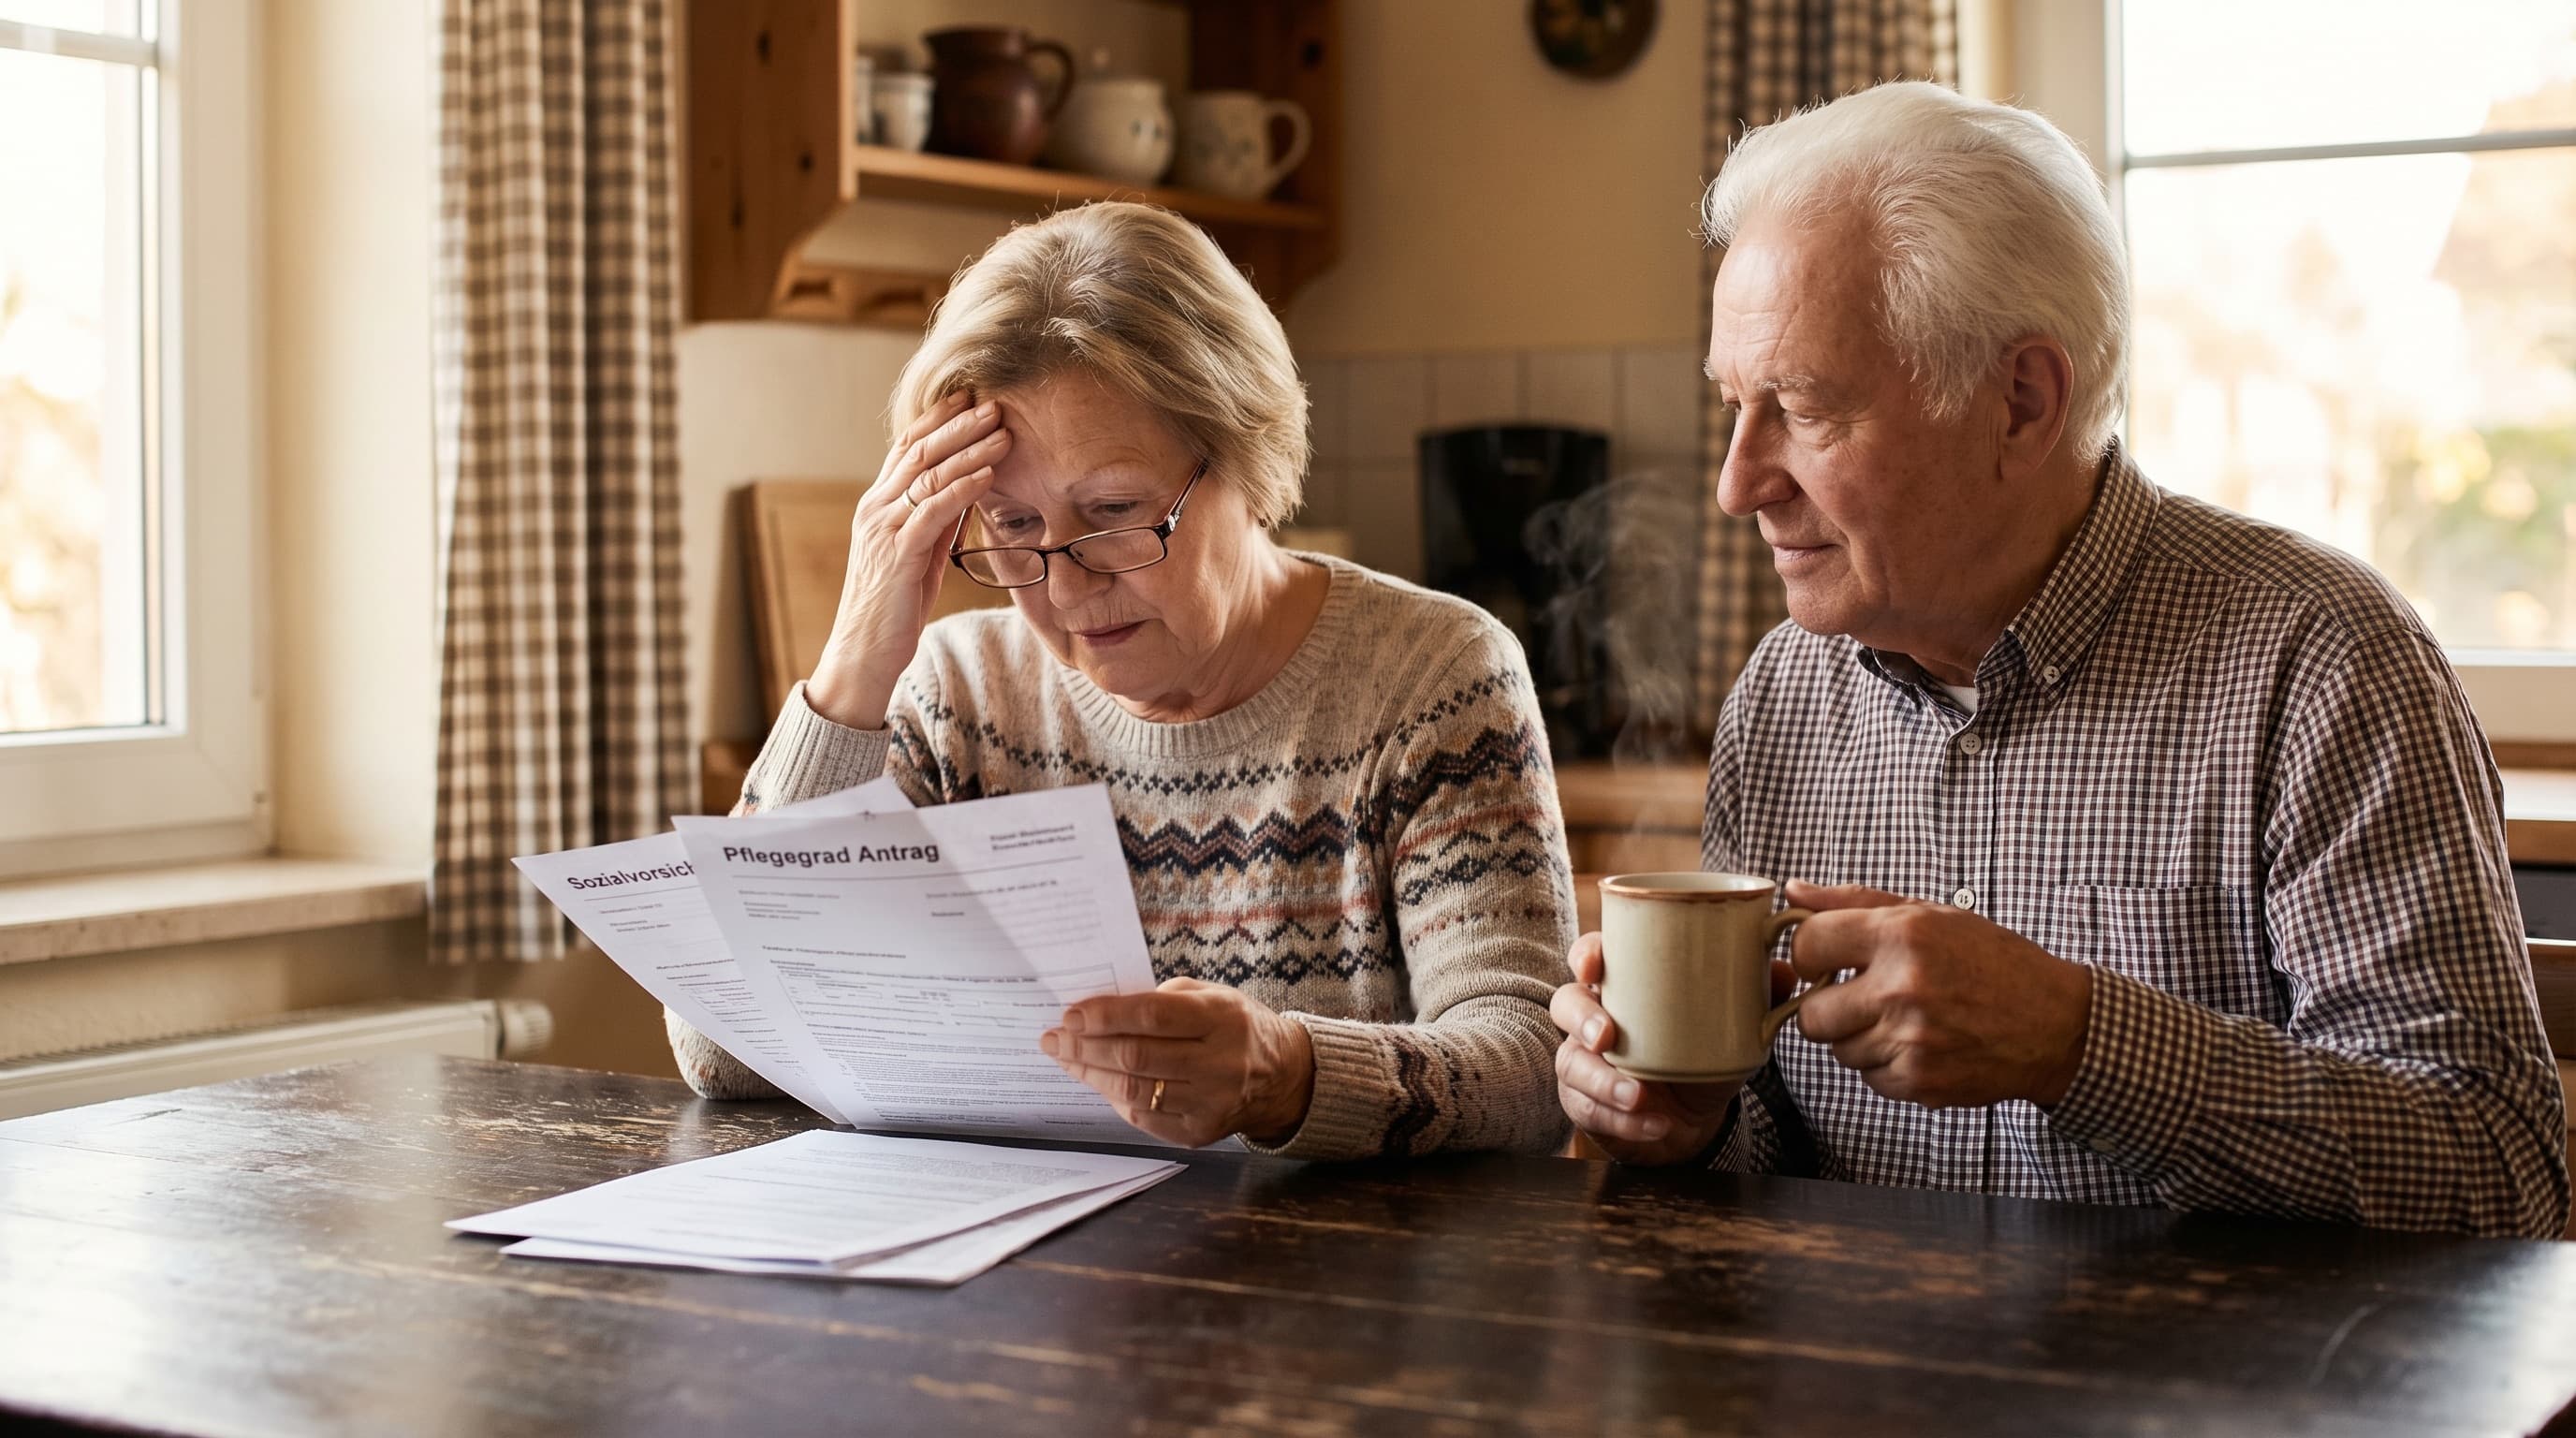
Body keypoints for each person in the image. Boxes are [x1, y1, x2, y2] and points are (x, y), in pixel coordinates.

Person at [1551, 82, 2569, 1237]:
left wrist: (2080, 1044)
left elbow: (2496, 1175)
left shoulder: (2325, 666)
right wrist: (1691, 1124)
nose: (1739, 484)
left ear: (2022, 403)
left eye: (1803, 408)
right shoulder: (1783, 697)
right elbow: (1779, 1145)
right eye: (1736, 405)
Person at [670, 200, 1574, 1160]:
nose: (1064, 587)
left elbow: (1527, 1074)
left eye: (1111, 510)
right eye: (1013, 527)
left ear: (1247, 460)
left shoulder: (1431, 676)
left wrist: (1285, 1076)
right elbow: (723, 1052)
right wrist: (852, 668)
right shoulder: (956, 695)